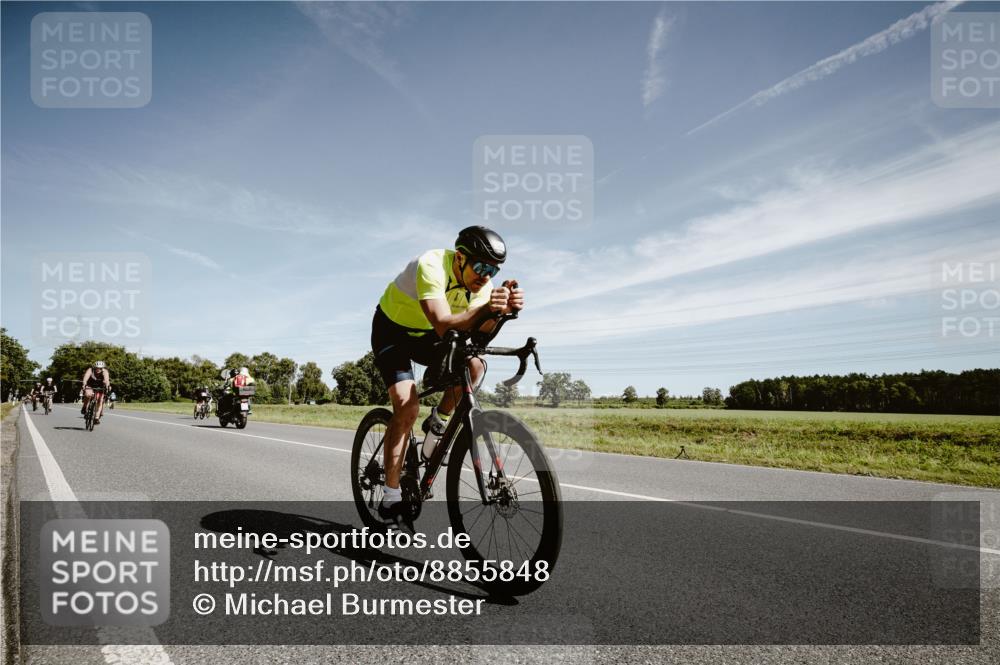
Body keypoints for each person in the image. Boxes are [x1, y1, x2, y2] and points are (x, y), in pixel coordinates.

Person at [371, 226, 523, 519]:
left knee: (475, 364)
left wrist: (500, 313)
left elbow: (479, 336)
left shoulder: (483, 286)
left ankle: (437, 422)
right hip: (393, 332)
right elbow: (443, 323)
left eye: (492, 269)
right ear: (459, 259)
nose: (485, 275)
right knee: (407, 406)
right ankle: (390, 496)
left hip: (429, 336)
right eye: (480, 266)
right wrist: (486, 310)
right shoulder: (431, 264)